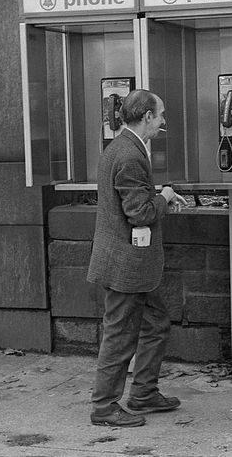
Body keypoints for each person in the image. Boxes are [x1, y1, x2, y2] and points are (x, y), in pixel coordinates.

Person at [87, 89, 186, 427]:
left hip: (137, 264)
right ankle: (104, 407)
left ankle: (143, 392)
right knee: (119, 334)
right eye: (159, 116)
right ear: (146, 117)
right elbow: (139, 212)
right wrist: (165, 197)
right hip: (125, 265)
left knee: (156, 324)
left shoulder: (123, 148)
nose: (162, 122)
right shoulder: (129, 155)